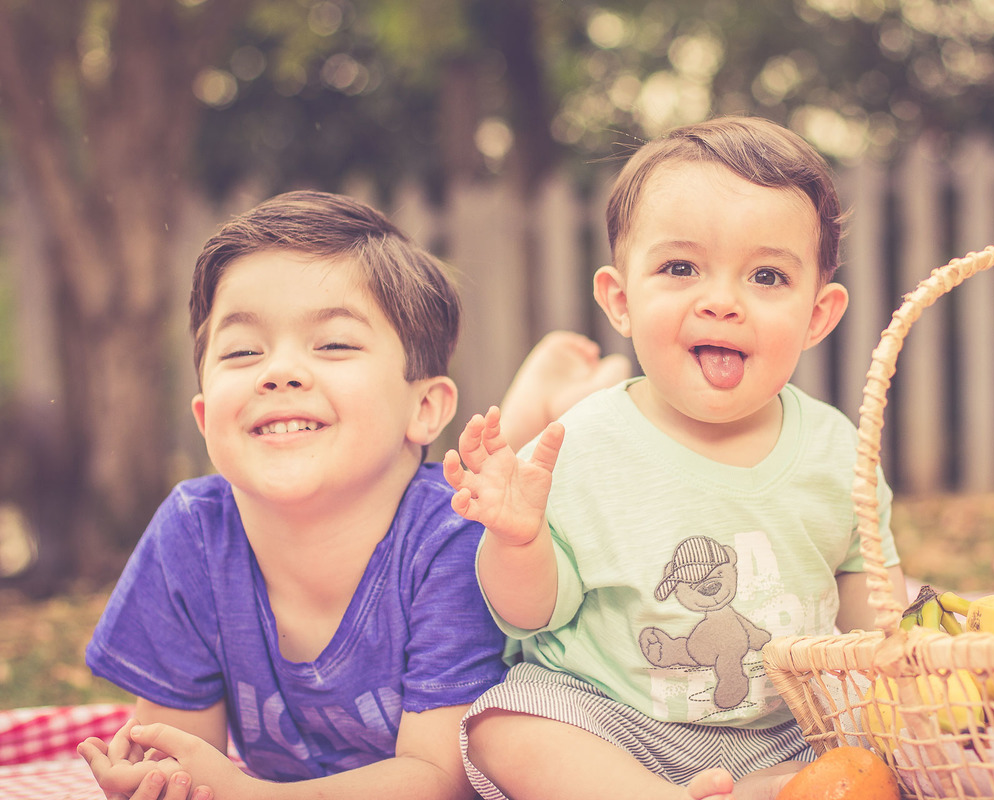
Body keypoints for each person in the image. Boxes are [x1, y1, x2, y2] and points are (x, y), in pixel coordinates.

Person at [77, 190, 630, 800]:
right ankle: (527, 409)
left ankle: (552, 413)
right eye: (242, 351)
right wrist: (157, 779)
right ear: (206, 419)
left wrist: (247, 794)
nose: (278, 371)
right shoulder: (193, 531)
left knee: (502, 496)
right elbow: (179, 751)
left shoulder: (452, 544)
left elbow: (441, 778)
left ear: (425, 408)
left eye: (334, 344)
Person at [442, 116, 908, 800]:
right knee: (507, 728)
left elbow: (868, 589)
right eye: (681, 267)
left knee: (872, 757)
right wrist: (518, 538)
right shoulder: (582, 442)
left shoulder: (836, 447)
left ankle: (753, 791)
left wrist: (914, 646)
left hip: (782, 729)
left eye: (768, 275)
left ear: (818, 314)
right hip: (609, 717)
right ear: (621, 301)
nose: (721, 301)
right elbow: (532, 613)